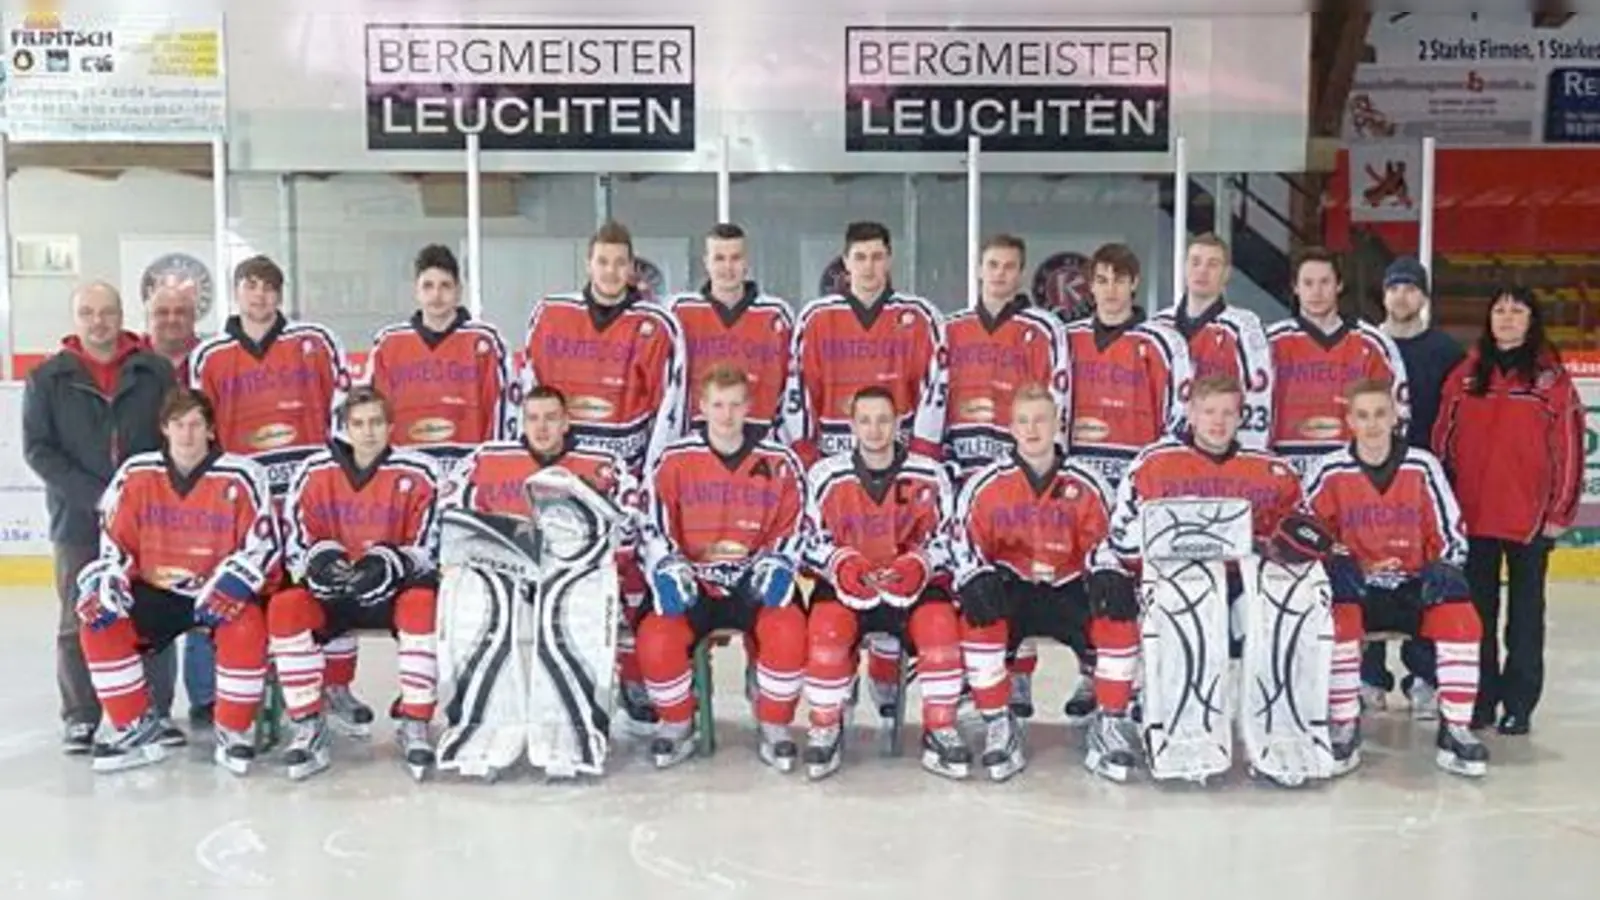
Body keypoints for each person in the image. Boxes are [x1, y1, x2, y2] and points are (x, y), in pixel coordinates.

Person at [1090, 374, 1339, 776]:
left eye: (1227, 412)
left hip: (1247, 583)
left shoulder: (1272, 469)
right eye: (1209, 412)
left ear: (1242, 417)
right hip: (1176, 582)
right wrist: (1164, 544)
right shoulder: (1153, 464)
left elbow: (1305, 529)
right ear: (1190, 413)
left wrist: (1287, 544)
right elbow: (1121, 535)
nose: (1218, 421)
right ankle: (1173, 725)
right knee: (1182, 616)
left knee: (1290, 612)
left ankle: (1284, 728)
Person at [190, 255, 359, 728]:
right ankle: (241, 693)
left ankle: (335, 686)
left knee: (327, 588)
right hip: (247, 501)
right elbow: (200, 426)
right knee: (246, 593)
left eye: (268, 287)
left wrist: (338, 481)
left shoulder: (316, 342)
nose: (259, 296)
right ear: (236, 293)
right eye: (250, 286)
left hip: (312, 498)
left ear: (280, 295)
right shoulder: (210, 356)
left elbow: (344, 412)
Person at [73, 388, 275, 774]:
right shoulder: (136, 473)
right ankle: (135, 726)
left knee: (246, 627)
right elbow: (114, 541)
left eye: (196, 424)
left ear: (211, 430)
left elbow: (263, 544)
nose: (187, 434)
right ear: (164, 429)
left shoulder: (244, 474)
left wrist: (235, 579)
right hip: (155, 591)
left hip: (217, 591)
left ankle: (234, 729)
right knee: (100, 623)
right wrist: (109, 581)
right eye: (178, 424)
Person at [951, 385, 1139, 783]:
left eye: (1040, 420)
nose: (1032, 429)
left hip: (1069, 585)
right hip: (1014, 587)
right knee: (979, 618)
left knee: (1119, 619)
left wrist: (1108, 569)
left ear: (1058, 423)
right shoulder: (986, 484)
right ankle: (998, 721)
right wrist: (974, 574)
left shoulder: (1088, 482)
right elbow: (964, 543)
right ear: (1011, 428)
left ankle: (1109, 722)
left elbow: (1109, 540)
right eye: (1023, 421)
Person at [22, 281, 180, 753]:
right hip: (77, 520)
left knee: (150, 615)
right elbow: (38, 450)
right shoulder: (47, 378)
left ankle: (154, 710)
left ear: (121, 315)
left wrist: (145, 495)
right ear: (76, 320)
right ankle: (80, 716)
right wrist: (97, 497)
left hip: (146, 522)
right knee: (79, 617)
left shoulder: (154, 370)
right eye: (88, 313)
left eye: (107, 312)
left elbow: (173, 438)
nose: (99, 322)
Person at [1304, 379, 1489, 776]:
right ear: (1349, 421)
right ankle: (1343, 724)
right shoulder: (1330, 469)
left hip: (1412, 586)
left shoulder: (1422, 465)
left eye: (1380, 414)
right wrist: (1337, 563)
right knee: (1337, 618)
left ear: (1395, 417)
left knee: (1461, 618)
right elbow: (1306, 531)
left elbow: (1452, 532)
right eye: (1362, 415)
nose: (1372, 424)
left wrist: (1442, 567)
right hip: (1360, 589)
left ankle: (1456, 729)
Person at [438, 386, 647, 726]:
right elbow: (450, 514)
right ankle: (475, 702)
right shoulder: (487, 459)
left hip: (579, 579)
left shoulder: (603, 464)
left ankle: (627, 683)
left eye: (551, 418)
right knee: (461, 595)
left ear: (566, 422)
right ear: (521, 422)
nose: (542, 427)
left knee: (633, 585)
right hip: (506, 579)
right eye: (533, 418)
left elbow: (630, 522)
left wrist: (592, 553)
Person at [636, 364, 808, 771]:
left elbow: (799, 521)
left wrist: (780, 560)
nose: (726, 415)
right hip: (695, 582)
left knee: (788, 631)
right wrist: (666, 564)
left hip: (752, 581)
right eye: (718, 405)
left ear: (749, 407)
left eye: (734, 405)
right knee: (656, 637)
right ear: (702, 407)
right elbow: (651, 522)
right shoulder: (674, 460)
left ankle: (774, 721)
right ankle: (677, 722)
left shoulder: (779, 460)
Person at [269, 387, 441, 780]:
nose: (368, 432)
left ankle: (415, 720)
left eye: (376, 422)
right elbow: (295, 544)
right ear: (345, 427)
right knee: (285, 607)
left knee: (423, 606)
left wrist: (391, 562)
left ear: (391, 426)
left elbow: (431, 548)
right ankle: (308, 723)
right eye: (359, 423)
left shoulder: (421, 472)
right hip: (334, 592)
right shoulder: (313, 472)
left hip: (392, 592)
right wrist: (318, 562)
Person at [1434, 287, 1582, 735]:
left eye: (1517, 310)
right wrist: (1444, 509)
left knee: (1525, 618)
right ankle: (1480, 700)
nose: (1507, 317)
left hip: (1529, 520)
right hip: (1474, 517)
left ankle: (1519, 704)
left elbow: (1570, 448)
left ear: (1532, 320)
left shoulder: (1551, 380)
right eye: (1499, 309)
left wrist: (1560, 509)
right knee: (1476, 613)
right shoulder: (1465, 375)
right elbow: (1441, 443)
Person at [1054, 242, 1191, 722]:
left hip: (1137, 482)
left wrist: (1157, 478)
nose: (1110, 290)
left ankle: (1139, 681)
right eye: (1102, 280)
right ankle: (1092, 673)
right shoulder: (1067, 339)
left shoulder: (1163, 342)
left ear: (1134, 284)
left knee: (1136, 583)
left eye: (1119, 280)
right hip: (1082, 482)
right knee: (1084, 580)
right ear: (1089, 287)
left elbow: (1179, 416)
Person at [800, 387, 967, 780]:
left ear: (898, 424)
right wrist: (840, 563)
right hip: (847, 585)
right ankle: (825, 724)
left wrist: (920, 563)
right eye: (865, 420)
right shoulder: (825, 475)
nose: (874, 429)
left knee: (940, 626)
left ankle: (940, 726)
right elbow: (806, 539)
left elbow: (952, 538)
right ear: (852, 425)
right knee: (826, 628)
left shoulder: (930, 473)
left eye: (883, 420)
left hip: (913, 586)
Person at [940, 233, 1073, 722]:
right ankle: (967, 676)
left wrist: (1050, 465)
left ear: (1020, 273)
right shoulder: (951, 329)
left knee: (1023, 566)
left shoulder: (1043, 329)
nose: (999, 274)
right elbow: (935, 396)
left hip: (1021, 473)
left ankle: (1018, 676)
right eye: (992, 265)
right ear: (979, 269)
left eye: (1009, 266)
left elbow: (1060, 397)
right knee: (967, 576)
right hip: (963, 473)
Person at [522, 220, 686, 476]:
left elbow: (669, 410)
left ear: (631, 267)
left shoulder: (658, 326)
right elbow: (529, 395)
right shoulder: (550, 315)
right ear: (588, 265)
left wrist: (652, 478)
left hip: (625, 474)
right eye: (602, 262)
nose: (611, 271)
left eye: (620, 263)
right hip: (560, 470)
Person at [785, 220, 946, 466]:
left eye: (877, 257)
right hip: (833, 456)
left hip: (899, 458)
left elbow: (935, 389)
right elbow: (800, 389)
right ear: (846, 262)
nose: (868, 267)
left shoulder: (920, 316)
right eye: (860, 258)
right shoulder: (816, 318)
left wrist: (923, 453)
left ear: (889, 260)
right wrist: (804, 450)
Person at [365, 244, 513, 469]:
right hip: (405, 470)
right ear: (416, 291)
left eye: (445, 286)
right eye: (428, 286)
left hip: (468, 470)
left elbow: (502, 410)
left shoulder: (486, 342)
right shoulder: (389, 343)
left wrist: (492, 466)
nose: (436, 295)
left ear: (459, 291)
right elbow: (370, 411)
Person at [143, 282, 217, 726]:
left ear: (194, 317)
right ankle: (156, 704)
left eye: (181, 312)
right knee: (156, 593)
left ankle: (207, 697)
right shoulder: (136, 365)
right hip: (154, 498)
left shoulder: (210, 359)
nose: (172, 319)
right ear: (148, 317)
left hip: (204, 494)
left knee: (207, 589)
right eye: (162, 312)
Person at [1267, 247, 1408, 477]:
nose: (1317, 291)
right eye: (1308, 283)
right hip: (1286, 466)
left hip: (1352, 467)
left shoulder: (1373, 343)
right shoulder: (1270, 343)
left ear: (1339, 285)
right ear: (1295, 287)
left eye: (1325, 282)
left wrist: (1381, 465)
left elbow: (1399, 410)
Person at [667, 223, 794, 440]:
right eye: (719, 258)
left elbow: (792, 385)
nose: (728, 267)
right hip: (695, 441)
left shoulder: (776, 314)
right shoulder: (679, 311)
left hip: (761, 442)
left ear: (746, 262)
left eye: (735, 258)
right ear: (706, 262)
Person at [1153, 234, 1273, 450]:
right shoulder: (1157, 326)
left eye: (1213, 264)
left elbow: (1258, 396)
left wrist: (1246, 454)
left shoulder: (1245, 327)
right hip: (1168, 451)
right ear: (1184, 267)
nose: (1202, 271)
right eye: (1195, 262)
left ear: (1226, 273)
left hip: (1221, 450)